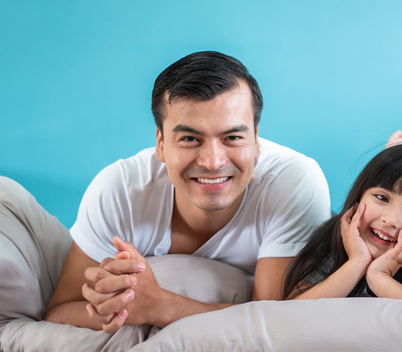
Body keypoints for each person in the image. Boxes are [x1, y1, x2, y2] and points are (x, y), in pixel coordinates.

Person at [44, 51, 331, 332]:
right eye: (190, 138)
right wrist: (116, 306)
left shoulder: (293, 182)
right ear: (160, 143)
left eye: (232, 137)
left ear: (256, 141)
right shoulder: (120, 191)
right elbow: (58, 311)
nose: (213, 162)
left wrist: (160, 306)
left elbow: (274, 318)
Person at [283, 142, 402, 309]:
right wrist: (357, 263)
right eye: (382, 198)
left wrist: (380, 278)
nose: (391, 220)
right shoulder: (331, 244)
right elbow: (289, 312)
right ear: (359, 197)